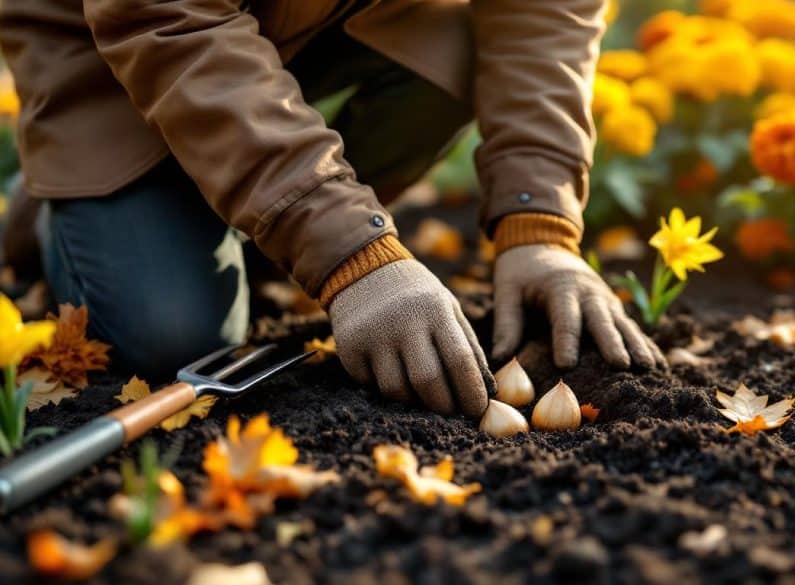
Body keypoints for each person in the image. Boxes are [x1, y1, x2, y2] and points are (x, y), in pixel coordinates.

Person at [0, 0, 664, 419]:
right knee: (172, 334)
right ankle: (66, 196)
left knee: (459, 41)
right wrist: (351, 254)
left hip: (312, 22)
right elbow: (167, 19)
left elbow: (546, 13)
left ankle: (236, 212)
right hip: (116, 39)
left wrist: (537, 221)